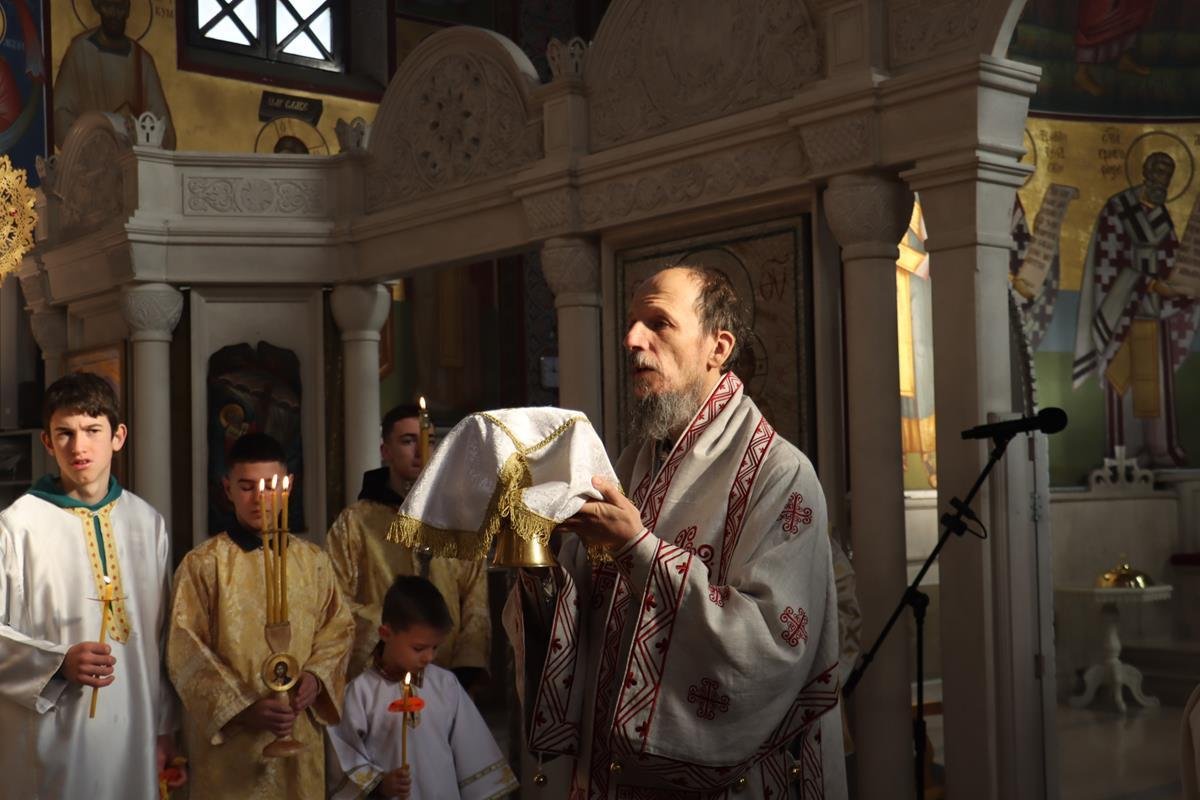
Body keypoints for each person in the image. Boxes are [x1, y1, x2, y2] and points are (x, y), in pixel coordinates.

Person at [505, 266, 847, 798]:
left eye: (658, 323)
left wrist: (637, 550)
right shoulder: (632, 463)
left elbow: (773, 645)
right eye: (631, 323)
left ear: (717, 347)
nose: (631, 339)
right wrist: (537, 558)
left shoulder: (779, 474)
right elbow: (588, 611)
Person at [0, 372, 182, 799]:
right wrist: (55, 663)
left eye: (92, 430)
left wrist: (165, 728)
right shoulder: (17, 527)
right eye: (64, 433)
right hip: (53, 737)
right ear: (47, 442)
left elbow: (162, 639)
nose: (78, 447)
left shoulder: (147, 524)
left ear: (118, 437)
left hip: (136, 733)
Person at [167, 432, 353, 799]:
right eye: (247, 487)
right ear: (227, 488)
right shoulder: (203, 564)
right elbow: (185, 648)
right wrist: (241, 708)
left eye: (269, 487)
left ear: (289, 486)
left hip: (297, 733)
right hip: (231, 750)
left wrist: (315, 679)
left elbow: (339, 628)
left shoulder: (313, 562)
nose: (258, 499)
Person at [326, 404, 491, 685]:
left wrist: (467, 668)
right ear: (386, 451)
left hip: (446, 675)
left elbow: (476, 602)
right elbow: (335, 600)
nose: (420, 451)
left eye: (428, 440)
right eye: (407, 441)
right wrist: (393, 630)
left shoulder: (458, 520)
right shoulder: (355, 523)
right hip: (379, 674)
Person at [328, 575, 518, 800]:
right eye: (419, 648)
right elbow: (344, 757)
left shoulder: (446, 686)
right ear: (386, 634)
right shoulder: (361, 693)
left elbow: (473, 753)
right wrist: (379, 783)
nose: (429, 657)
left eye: (435, 647)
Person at [1072, 151, 1199, 467]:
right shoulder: (1118, 209)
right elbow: (1108, 263)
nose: (1162, 180)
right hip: (1121, 314)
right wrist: (1149, 284)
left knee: (1155, 384)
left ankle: (1160, 448)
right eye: (1158, 171)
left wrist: (1183, 286)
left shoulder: (1161, 215)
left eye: (1168, 174)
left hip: (1154, 316)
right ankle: (1123, 452)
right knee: (1122, 380)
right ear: (1145, 171)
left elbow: (1171, 259)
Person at [53, 0, 175, 148]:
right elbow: (60, 114)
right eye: (108, 6)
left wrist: (137, 135)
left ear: (128, 10)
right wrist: (93, 136)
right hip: (91, 151)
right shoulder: (79, 51)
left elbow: (163, 128)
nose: (114, 14)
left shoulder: (142, 61)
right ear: (98, 7)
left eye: (120, 7)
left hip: (132, 156)